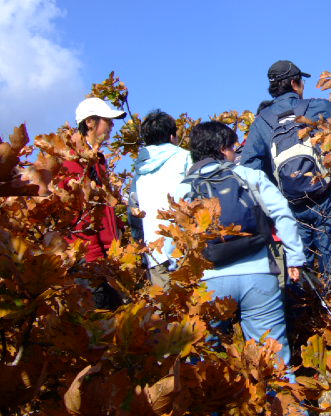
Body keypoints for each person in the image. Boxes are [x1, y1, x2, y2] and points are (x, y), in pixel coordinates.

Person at [240, 60, 331, 333]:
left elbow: (249, 170)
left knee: (296, 274)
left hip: (289, 209)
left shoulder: (261, 122)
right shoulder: (313, 107)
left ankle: (302, 336)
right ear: (295, 83)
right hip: (325, 202)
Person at [174, 121, 306, 365]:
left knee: (205, 359)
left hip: (208, 281)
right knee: (272, 360)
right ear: (222, 149)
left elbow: (176, 239)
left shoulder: (183, 188)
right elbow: (283, 214)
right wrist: (295, 258)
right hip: (259, 272)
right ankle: (283, 389)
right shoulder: (248, 176)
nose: (235, 153)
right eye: (232, 148)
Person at [63, 97, 126, 309]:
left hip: (102, 257)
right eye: (107, 120)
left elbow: (101, 206)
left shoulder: (96, 159)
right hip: (89, 260)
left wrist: (118, 227)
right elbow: (80, 214)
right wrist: (94, 259)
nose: (112, 125)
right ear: (90, 122)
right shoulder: (74, 159)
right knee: (100, 317)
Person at [129, 110, 191, 289]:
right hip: (185, 246)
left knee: (165, 303)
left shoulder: (139, 169)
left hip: (154, 252)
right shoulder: (185, 157)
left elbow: (133, 210)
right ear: (172, 136)